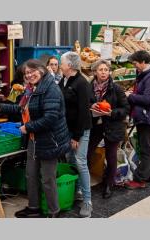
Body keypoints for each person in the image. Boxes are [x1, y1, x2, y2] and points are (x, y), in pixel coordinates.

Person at [0, 59, 71, 218]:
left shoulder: (51, 89)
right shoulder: (31, 89)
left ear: (41, 70)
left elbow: (51, 118)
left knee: (47, 178)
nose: (29, 75)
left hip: (50, 140)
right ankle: (33, 207)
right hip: (34, 139)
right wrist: (0, 108)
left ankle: (54, 211)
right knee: (30, 174)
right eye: (26, 73)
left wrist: (28, 127)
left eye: (32, 71)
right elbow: (21, 108)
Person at [86, 59, 130, 198]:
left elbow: (126, 108)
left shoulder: (116, 88)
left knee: (111, 156)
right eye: (100, 70)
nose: (103, 72)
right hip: (95, 125)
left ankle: (108, 185)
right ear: (95, 72)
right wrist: (90, 106)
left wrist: (112, 113)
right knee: (86, 153)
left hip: (112, 125)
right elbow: (85, 102)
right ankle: (84, 183)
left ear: (109, 72)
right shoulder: (88, 87)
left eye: (106, 70)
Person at [58, 51, 93, 218]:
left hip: (80, 130)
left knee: (80, 162)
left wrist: (76, 137)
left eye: (61, 63)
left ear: (69, 66)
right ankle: (77, 191)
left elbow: (84, 113)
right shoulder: (63, 81)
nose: (60, 65)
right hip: (67, 129)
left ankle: (87, 201)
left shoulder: (82, 83)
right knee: (71, 160)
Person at [125, 50, 150, 189]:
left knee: (145, 149)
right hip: (145, 116)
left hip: (149, 117)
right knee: (148, 147)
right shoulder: (145, 75)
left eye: (135, 63)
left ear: (143, 62)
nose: (134, 66)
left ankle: (140, 179)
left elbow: (148, 99)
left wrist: (130, 96)